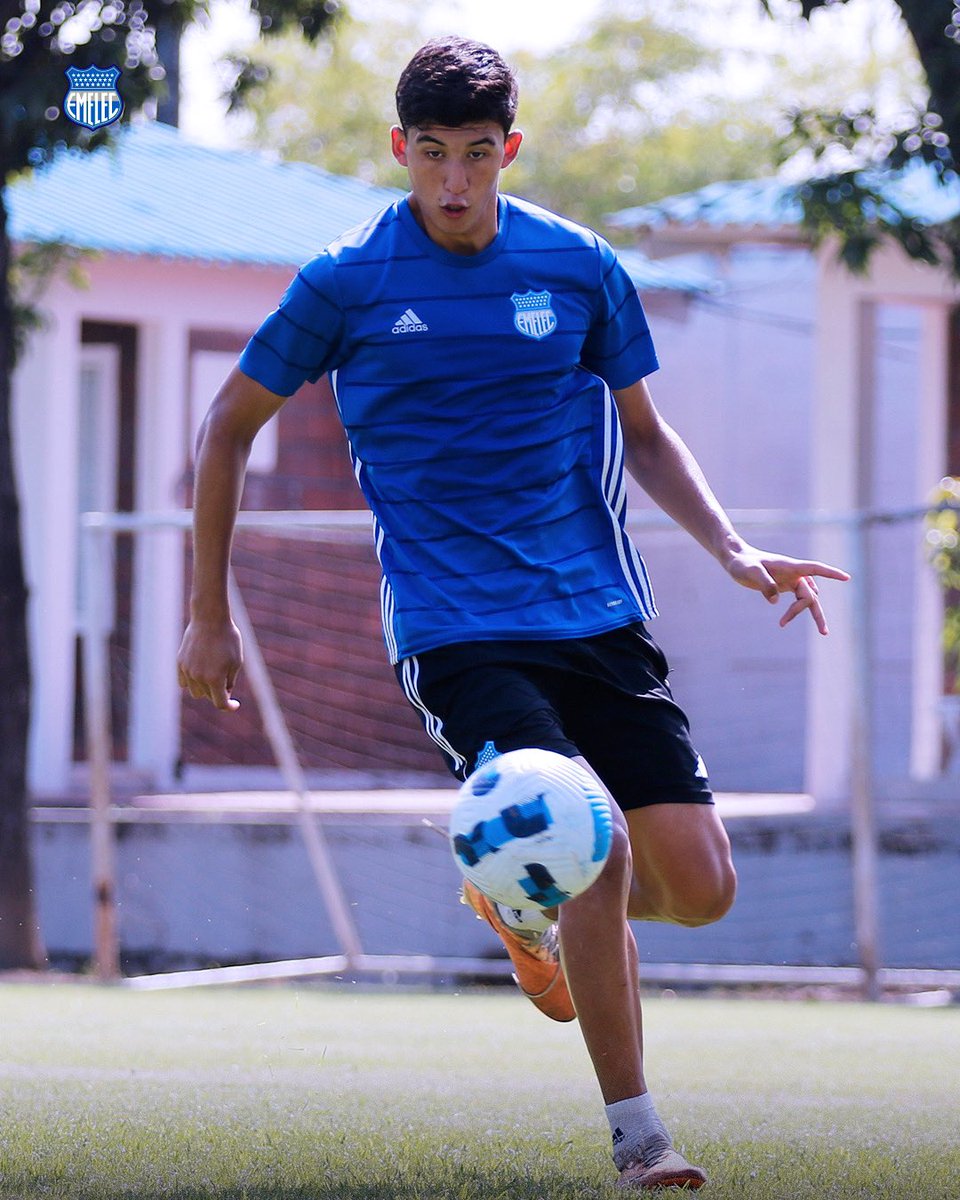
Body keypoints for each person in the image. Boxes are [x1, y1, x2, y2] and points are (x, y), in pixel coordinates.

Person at [177, 37, 849, 1191]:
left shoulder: (580, 266)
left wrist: (734, 551)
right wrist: (205, 615)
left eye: (476, 156)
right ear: (401, 149)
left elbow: (643, 432)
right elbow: (226, 429)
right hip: (454, 626)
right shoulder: (345, 281)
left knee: (700, 885)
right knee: (585, 834)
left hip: (595, 610)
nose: (452, 182)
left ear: (509, 152)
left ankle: (515, 886)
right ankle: (643, 1140)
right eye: (431, 155)